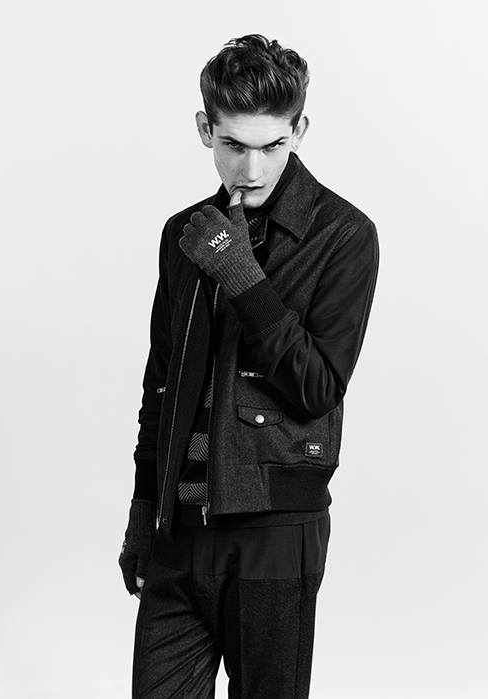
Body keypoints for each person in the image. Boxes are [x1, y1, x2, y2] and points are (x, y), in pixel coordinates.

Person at [119, 33, 379, 698]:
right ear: (205, 128)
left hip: (274, 535)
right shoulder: (186, 232)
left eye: (272, 145)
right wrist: (144, 511)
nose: (253, 167)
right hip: (180, 534)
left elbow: (317, 386)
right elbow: (161, 383)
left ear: (300, 130)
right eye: (234, 144)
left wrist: (241, 275)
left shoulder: (343, 235)